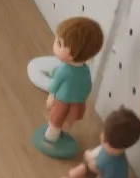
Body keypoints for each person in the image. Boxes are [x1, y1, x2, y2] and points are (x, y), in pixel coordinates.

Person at [38, 16, 104, 153]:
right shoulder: (84, 70)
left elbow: (54, 85)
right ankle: (63, 128)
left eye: (59, 43)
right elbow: (87, 86)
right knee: (69, 119)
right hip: (78, 101)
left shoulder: (64, 70)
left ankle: (51, 137)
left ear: (74, 53)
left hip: (62, 100)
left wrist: (51, 96)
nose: (54, 44)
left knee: (55, 119)